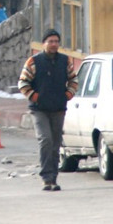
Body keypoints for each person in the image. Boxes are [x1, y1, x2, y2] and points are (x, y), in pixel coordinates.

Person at [18, 29, 79, 192]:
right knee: (45, 140)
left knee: (55, 143)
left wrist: (67, 95)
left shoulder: (65, 61)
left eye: (56, 41)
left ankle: (53, 178)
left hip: (58, 108)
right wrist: (36, 97)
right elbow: (23, 83)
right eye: (50, 41)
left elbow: (73, 80)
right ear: (43, 43)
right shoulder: (34, 61)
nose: (53, 44)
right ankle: (46, 177)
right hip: (39, 109)